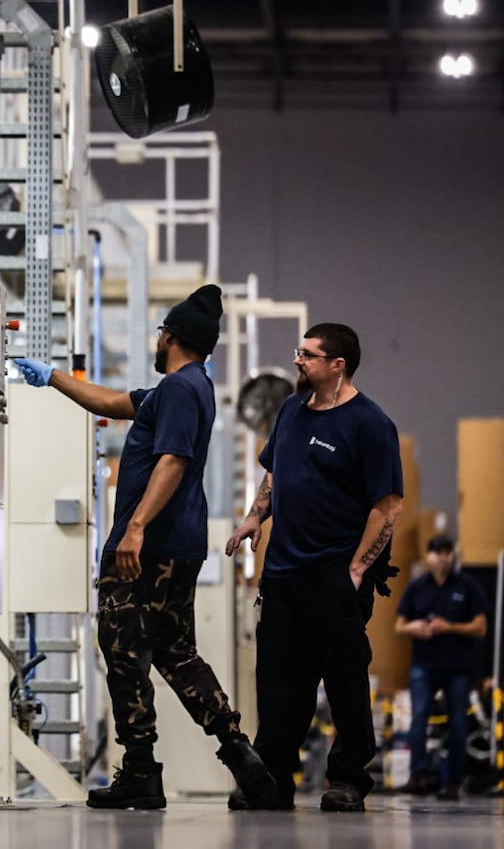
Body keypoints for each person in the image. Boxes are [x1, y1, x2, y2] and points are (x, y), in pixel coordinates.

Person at [14, 284, 275, 810]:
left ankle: (140, 771)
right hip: (177, 545)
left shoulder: (180, 390)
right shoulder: (183, 388)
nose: (156, 340)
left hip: (147, 548)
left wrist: (134, 528)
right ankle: (238, 750)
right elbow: (111, 401)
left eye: (160, 332)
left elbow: (172, 460)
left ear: (172, 336)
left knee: (123, 652)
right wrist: (53, 376)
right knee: (177, 653)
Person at [225, 322, 403, 813]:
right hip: (283, 573)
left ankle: (347, 780)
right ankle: (273, 779)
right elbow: (275, 472)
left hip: (336, 574)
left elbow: (387, 507)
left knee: (344, 680)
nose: (298, 361)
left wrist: (354, 571)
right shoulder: (290, 411)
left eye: (307, 354)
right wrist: (255, 516)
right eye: (299, 352)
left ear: (337, 365)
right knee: (280, 682)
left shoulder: (370, 424)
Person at [395, 535, 488, 799]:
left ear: (453, 555)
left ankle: (454, 781)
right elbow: (399, 626)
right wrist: (413, 627)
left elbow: (481, 627)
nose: (442, 557)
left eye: (447, 551)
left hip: (457, 667)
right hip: (424, 665)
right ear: (428, 556)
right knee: (419, 717)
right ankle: (418, 776)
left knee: (458, 723)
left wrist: (449, 627)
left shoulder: (467, 587)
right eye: (437, 552)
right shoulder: (416, 587)